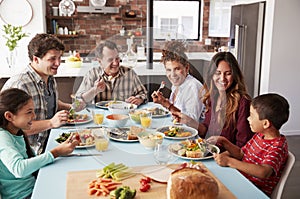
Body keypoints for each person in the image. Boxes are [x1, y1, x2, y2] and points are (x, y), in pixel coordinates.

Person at [1, 33, 75, 154]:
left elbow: (47, 103)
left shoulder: (49, 77)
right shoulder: (20, 84)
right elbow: (15, 128)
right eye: (52, 59)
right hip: (32, 152)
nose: (58, 63)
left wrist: (70, 107)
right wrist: (51, 123)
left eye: (59, 58)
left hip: (51, 139)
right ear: (36, 59)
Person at [0, 88, 79, 199]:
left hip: (34, 186)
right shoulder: (2, 137)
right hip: (24, 195)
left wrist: (60, 151)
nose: (34, 116)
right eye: (29, 112)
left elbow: (32, 161)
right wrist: (55, 152)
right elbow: (19, 169)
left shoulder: (17, 132)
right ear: (9, 116)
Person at [207, 93, 289, 196]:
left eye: (251, 115)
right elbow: (241, 153)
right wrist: (224, 142)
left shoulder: (278, 146)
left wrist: (230, 162)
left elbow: (263, 172)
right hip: (240, 179)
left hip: (252, 190)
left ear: (265, 124)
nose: (248, 119)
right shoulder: (259, 135)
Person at [173, 52, 253, 149]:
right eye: (218, 73)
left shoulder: (243, 103)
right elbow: (207, 132)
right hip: (209, 153)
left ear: (235, 76)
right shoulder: (213, 97)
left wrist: (223, 146)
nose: (222, 78)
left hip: (227, 160)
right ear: (212, 75)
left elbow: (244, 146)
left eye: (228, 74)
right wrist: (189, 121)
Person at [75, 40, 148, 106]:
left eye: (117, 58)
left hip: (124, 117)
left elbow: (143, 93)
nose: (116, 63)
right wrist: (95, 90)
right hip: (100, 118)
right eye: (110, 60)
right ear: (100, 62)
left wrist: (139, 99)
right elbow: (78, 101)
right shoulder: (92, 74)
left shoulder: (129, 73)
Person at [151, 41, 205, 122]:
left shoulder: (194, 87)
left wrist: (166, 104)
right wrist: (162, 102)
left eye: (177, 69)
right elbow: (175, 112)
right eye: (168, 70)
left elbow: (192, 122)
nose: (173, 75)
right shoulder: (177, 84)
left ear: (186, 68)